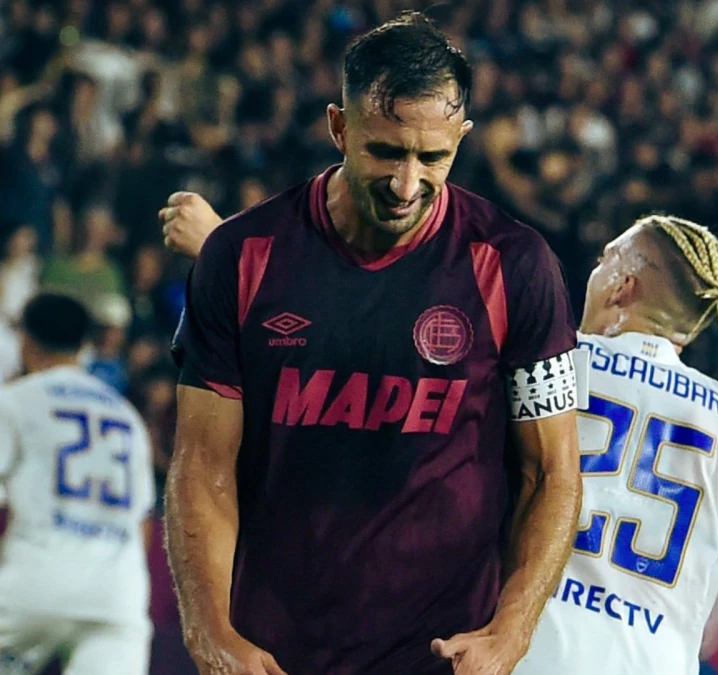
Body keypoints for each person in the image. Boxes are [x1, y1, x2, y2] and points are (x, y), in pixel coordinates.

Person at [166, 201, 718, 675]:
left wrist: (226, 253)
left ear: (624, 280)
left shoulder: (538, 352)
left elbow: (365, 344)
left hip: (515, 649)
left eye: (602, 261)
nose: (590, 272)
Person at [162, 13, 582, 675]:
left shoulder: (517, 264)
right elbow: (203, 471)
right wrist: (212, 634)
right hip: (274, 653)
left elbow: (553, 471)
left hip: (440, 655)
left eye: (433, 157)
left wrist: (512, 629)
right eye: (386, 151)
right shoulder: (240, 256)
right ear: (339, 127)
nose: (407, 183)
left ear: (462, 139)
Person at [0, 293, 156, 674]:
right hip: (116, 594)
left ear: (26, 340)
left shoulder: (15, 401)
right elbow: (144, 522)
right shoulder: (127, 416)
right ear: (85, 346)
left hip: (36, 579)